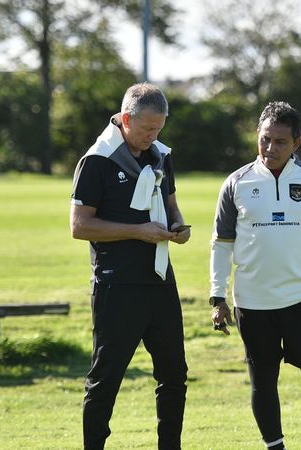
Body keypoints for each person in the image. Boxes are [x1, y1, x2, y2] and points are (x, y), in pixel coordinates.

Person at [209, 101, 301, 450]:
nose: (270, 148)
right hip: (253, 304)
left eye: (280, 142)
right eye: (265, 139)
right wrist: (217, 296)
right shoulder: (236, 183)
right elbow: (221, 243)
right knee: (263, 384)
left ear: (297, 143)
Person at [70, 83, 191, 450]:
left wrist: (178, 227)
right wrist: (138, 232)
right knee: (105, 379)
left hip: (159, 279)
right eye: (146, 129)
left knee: (174, 375)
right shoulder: (98, 160)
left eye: (158, 129)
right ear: (125, 119)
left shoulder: (160, 154)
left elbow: (171, 205)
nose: (152, 136)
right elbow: (79, 226)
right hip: (116, 286)